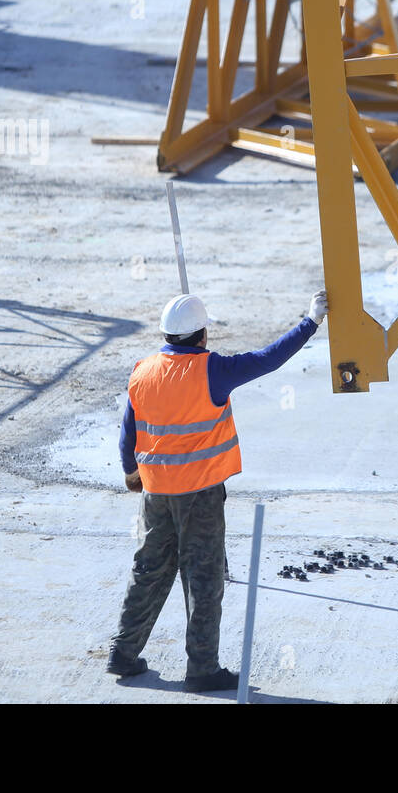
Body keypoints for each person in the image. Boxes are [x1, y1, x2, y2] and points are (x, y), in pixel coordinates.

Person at [107, 289, 328, 690]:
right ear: (202, 334)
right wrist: (310, 322)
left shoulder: (143, 370)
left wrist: (130, 472)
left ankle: (123, 652)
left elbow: (128, 432)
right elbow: (268, 359)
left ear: (166, 335)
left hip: (155, 493)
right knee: (204, 577)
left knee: (149, 569)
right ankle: (202, 669)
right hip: (201, 494)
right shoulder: (212, 371)